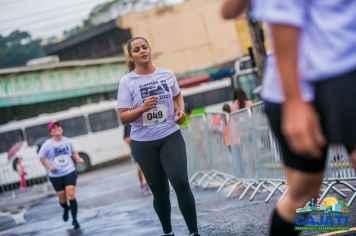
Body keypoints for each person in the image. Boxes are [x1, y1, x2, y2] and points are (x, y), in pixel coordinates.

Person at [222, 1, 356, 235]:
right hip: (301, 81)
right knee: (304, 193)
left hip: (348, 69)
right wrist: (295, 101)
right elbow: (230, 11)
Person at [117, 37, 199, 236]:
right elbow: (123, 116)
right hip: (144, 144)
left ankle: (194, 232)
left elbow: (177, 95)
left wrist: (180, 111)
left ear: (150, 49)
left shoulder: (167, 74)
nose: (142, 51)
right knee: (160, 192)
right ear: (131, 56)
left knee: (180, 182)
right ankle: (168, 231)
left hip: (170, 135)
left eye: (145, 47)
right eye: (137, 49)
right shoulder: (127, 82)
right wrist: (142, 108)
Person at [39, 121, 84, 230]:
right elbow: (41, 157)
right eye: (54, 128)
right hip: (55, 175)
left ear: (61, 129)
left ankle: (75, 220)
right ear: (51, 132)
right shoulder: (47, 144)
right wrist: (49, 167)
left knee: (71, 194)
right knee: (62, 199)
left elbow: (73, 152)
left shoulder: (67, 141)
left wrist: (78, 158)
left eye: (58, 127)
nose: (57, 129)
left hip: (69, 171)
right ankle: (65, 208)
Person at [123, 123, 150, 195]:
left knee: (143, 167)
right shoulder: (127, 125)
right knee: (138, 169)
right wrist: (130, 140)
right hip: (134, 149)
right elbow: (125, 138)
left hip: (144, 147)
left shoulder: (143, 121)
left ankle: (146, 184)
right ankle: (142, 183)